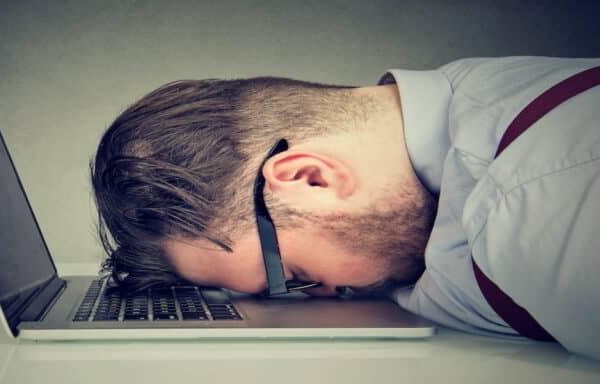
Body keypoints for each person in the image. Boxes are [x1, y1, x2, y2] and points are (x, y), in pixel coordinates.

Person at [90, 57, 600, 359]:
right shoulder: (458, 107)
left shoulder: (539, 209)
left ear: (309, 178)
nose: (320, 299)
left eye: (292, 276)